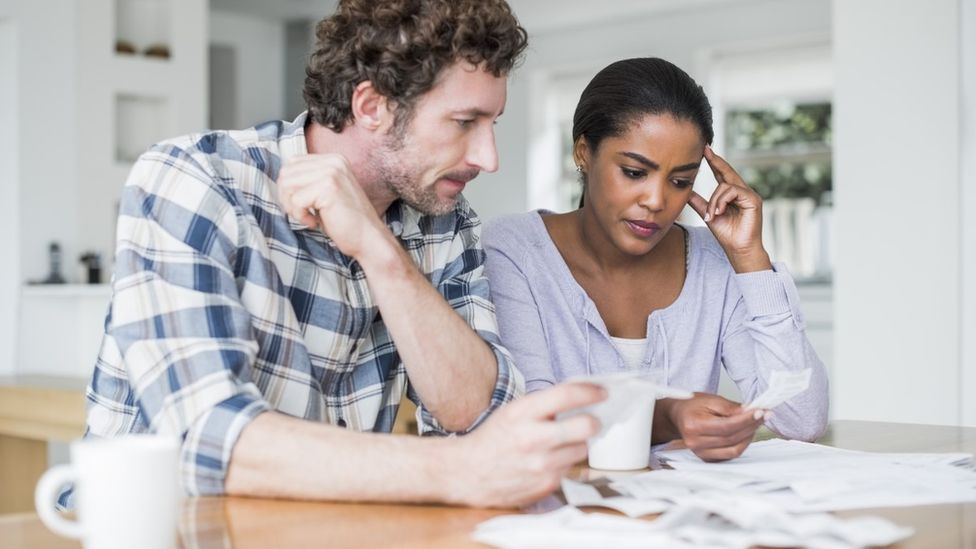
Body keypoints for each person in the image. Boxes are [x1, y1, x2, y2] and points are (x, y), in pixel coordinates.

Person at [65, 0, 604, 509]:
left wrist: (378, 249)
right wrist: (453, 470)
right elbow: (208, 439)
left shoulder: (446, 221)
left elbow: (479, 414)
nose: (489, 158)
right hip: (157, 528)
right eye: (464, 123)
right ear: (371, 106)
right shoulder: (196, 179)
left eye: (494, 124)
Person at [483, 57, 828, 462]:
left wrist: (749, 258)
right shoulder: (514, 250)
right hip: (554, 517)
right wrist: (665, 416)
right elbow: (528, 422)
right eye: (633, 172)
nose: (657, 201)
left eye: (681, 181)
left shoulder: (713, 263)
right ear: (583, 153)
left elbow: (802, 420)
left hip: (683, 517)